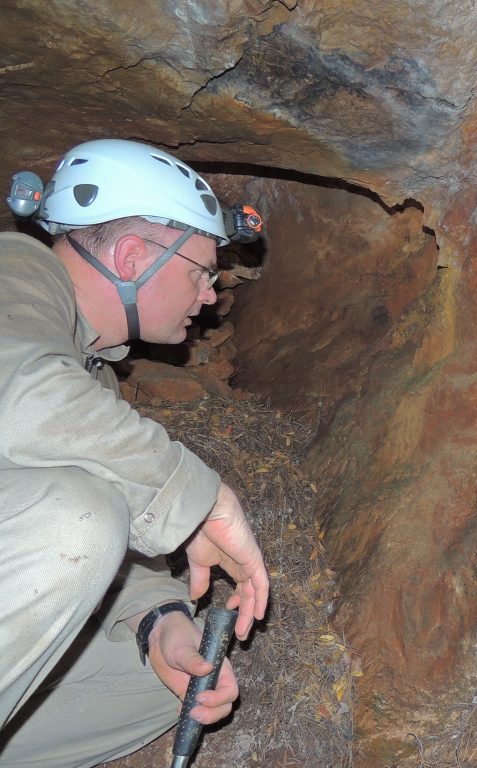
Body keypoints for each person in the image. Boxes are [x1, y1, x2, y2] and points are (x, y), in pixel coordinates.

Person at [0, 139, 270, 767]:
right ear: (131, 257)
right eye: (201, 271)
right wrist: (201, 499)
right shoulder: (13, 275)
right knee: (80, 513)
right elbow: (22, 399)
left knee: (163, 685)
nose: (210, 295)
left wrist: (158, 622)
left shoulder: (86, 373)